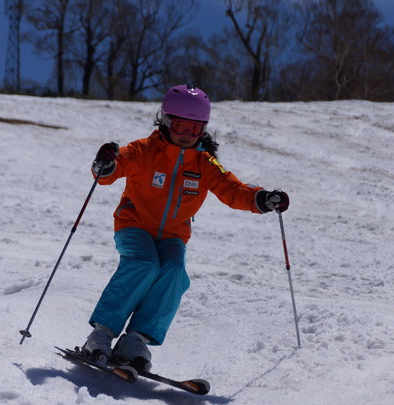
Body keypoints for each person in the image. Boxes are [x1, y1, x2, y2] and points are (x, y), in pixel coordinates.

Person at [81, 84, 289, 372]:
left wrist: (262, 199)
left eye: (195, 129)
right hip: (135, 224)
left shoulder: (205, 163)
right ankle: (101, 334)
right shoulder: (145, 150)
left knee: (175, 273)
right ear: (165, 121)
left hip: (173, 235)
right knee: (144, 264)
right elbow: (115, 168)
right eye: (180, 125)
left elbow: (233, 189)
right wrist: (105, 164)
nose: (186, 135)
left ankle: (135, 340)